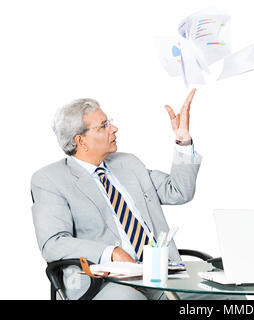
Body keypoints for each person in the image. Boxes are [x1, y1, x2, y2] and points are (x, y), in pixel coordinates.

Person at [31, 90, 242, 300]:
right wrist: (110, 252)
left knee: (230, 297)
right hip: (104, 283)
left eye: (109, 122)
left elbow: (179, 191)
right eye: (104, 125)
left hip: (162, 275)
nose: (114, 129)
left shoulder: (128, 164)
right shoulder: (50, 179)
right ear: (81, 140)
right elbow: (54, 243)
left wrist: (183, 141)